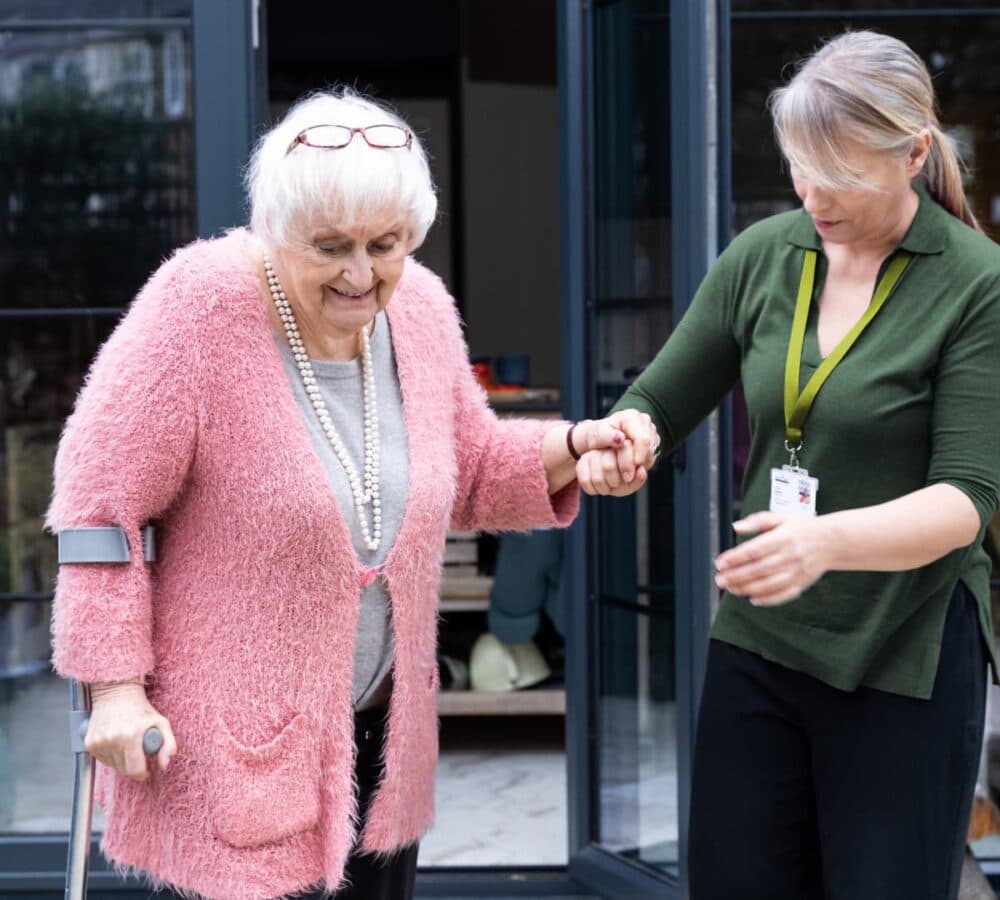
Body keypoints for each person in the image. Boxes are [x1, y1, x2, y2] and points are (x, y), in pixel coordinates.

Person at [47, 88, 657, 900]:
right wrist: (115, 689)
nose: (362, 274)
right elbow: (98, 506)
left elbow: (471, 465)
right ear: (275, 230)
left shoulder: (421, 310)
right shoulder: (198, 308)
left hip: (381, 738)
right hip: (233, 746)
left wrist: (574, 448)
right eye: (331, 247)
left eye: (386, 245)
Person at [578, 31, 1000, 900]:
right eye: (799, 167)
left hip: (906, 648)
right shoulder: (764, 255)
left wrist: (823, 543)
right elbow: (658, 399)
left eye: (838, 173)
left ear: (914, 153)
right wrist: (626, 440)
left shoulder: (977, 282)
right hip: (763, 639)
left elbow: (967, 500)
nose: (811, 194)